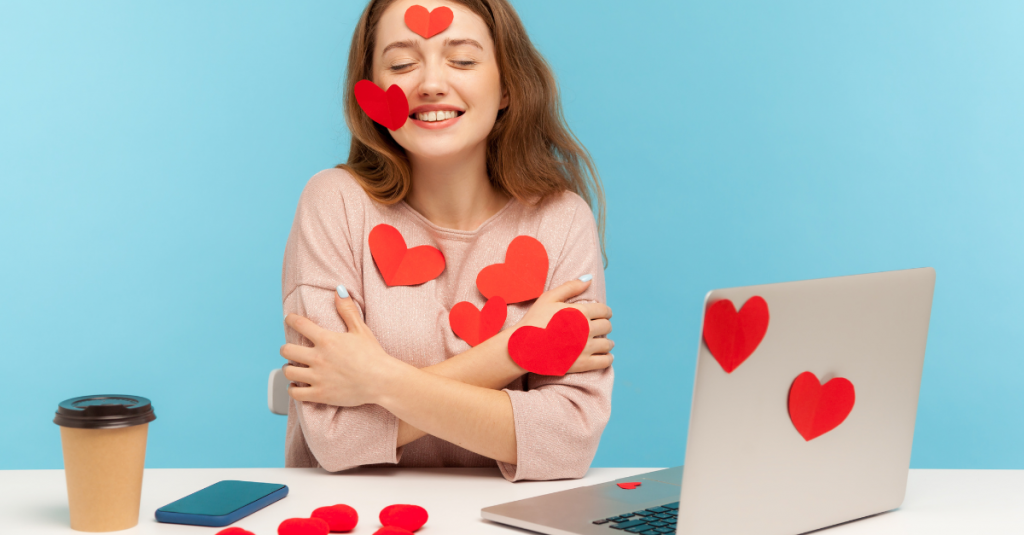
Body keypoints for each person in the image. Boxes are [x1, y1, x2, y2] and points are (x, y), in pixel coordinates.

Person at [280, 0, 614, 482]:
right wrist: (515, 352)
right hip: (357, 512)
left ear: (506, 87)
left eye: (462, 59)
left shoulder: (560, 221)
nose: (431, 83)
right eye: (401, 64)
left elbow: (566, 444)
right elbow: (337, 437)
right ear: (371, 90)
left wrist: (378, 380)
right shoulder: (335, 204)